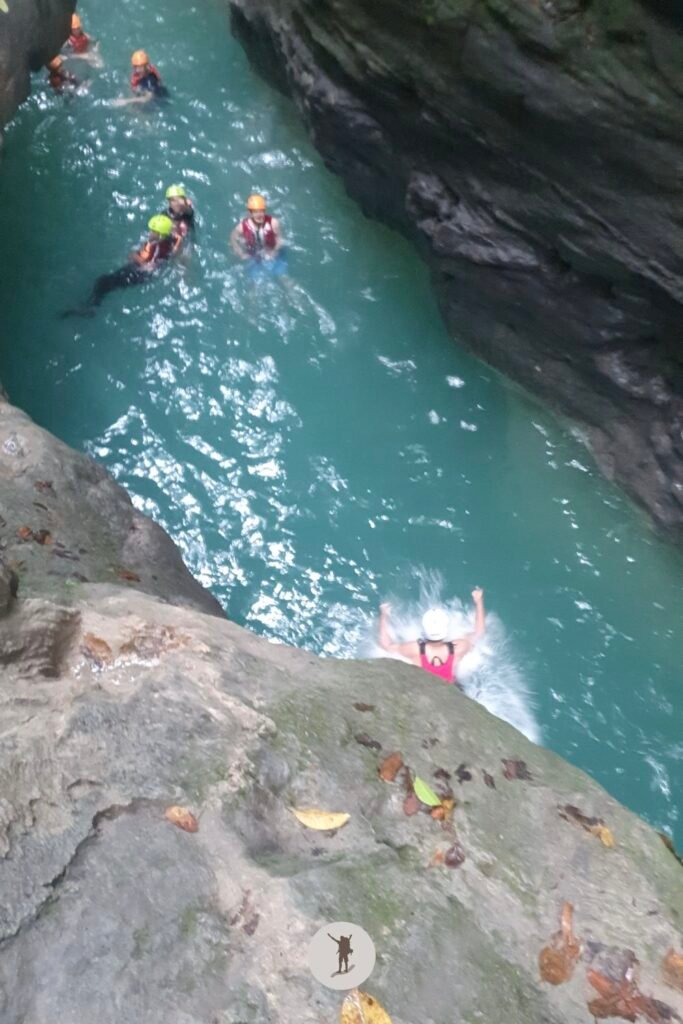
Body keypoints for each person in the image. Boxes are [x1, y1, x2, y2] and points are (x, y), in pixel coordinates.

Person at [61, 215, 176, 316]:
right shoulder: (162, 242)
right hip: (138, 269)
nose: (150, 232)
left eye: (153, 231)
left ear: (160, 235)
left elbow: (151, 266)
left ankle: (91, 308)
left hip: (140, 273)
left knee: (103, 282)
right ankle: (90, 304)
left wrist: (135, 257)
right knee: (104, 281)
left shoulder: (158, 248)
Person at [378, 588, 486, 689]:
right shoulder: (458, 648)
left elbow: (386, 645)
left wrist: (384, 614)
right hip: (452, 692)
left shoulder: (415, 649)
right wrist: (479, 601)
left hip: (426, 692)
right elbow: (479, 632)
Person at [230, 194, 287, 279]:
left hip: (272, 253)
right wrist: (240, 253)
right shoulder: (242, 227)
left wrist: (275, 251)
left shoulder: (273, 223)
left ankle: (292, 291)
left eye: (261, 211)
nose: (259, 215)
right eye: (256, 212)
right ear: (250, 212)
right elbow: (233, 238)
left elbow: (280, 239)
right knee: (255, 283)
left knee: (283, 277)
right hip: (254, 257)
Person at [165, 185, 195, 254]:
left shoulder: (188, 212)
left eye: (178, 200)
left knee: (185, 256)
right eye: (172, 201)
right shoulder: (167, 213)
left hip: (185, 239)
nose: (176, 204)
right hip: (173, 237)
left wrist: (185, 205)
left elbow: (189, 211)